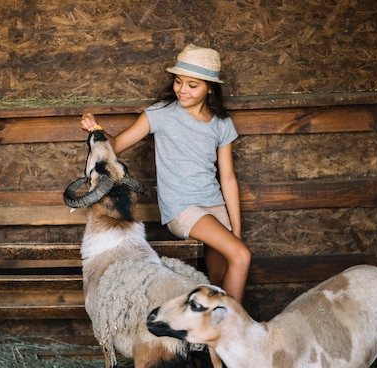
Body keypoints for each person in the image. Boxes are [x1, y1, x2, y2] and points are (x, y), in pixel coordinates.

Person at [80, 44, 251, 303]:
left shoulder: (222, 124)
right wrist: (96, 130)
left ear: (210, 88)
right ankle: (234, 334)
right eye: (179, 82)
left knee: (219, 280)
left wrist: (236, 229)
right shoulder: (161, 114)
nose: (182, 89)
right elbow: (116, 145)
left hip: (214, 205)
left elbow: (228, 179)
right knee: (242, 256)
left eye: (192, 85)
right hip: (183, 208)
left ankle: (213, 337)